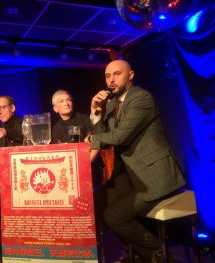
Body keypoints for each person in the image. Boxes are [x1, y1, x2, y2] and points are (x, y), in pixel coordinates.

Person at [89, 60, 186, 263]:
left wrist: (90, 140)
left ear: (130, 75)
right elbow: (106, 137)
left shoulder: (141, 98)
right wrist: (96, 113)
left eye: (117, 74)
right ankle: (140, 253)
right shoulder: (113, 104)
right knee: (95, 203)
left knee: (115, 216)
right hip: (133, 174)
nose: (112, 80)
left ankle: (157, 254)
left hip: (155, 176)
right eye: (108, 76)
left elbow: (119, 137)